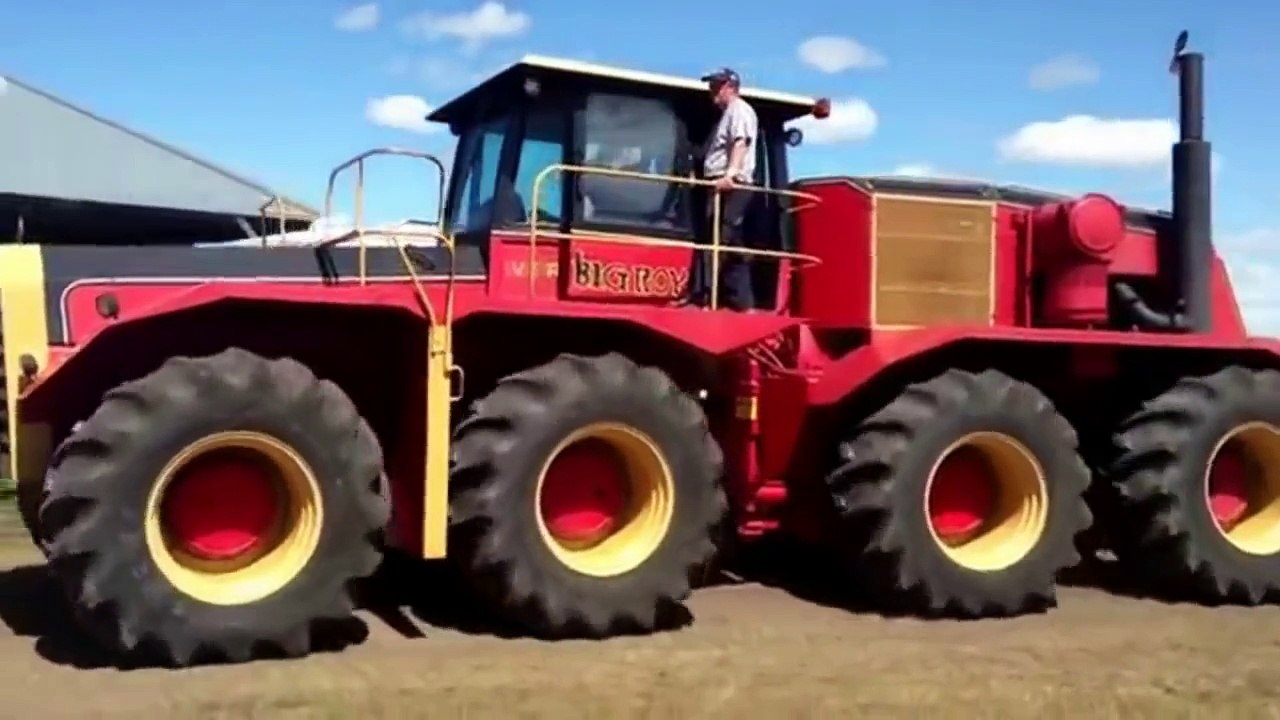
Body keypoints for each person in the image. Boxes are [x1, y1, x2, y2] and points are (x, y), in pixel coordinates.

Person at [685, 67, 758, 311]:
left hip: (730, 185)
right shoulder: (726, 114)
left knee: (718, 238)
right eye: (712, 85)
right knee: (730, 241)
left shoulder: (740, 110)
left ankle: (706, 298)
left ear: (731, 87)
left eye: (717, 86)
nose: (712, 91)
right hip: (718, 183)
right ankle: (740, 301)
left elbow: (741, 142)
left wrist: (730, 174)